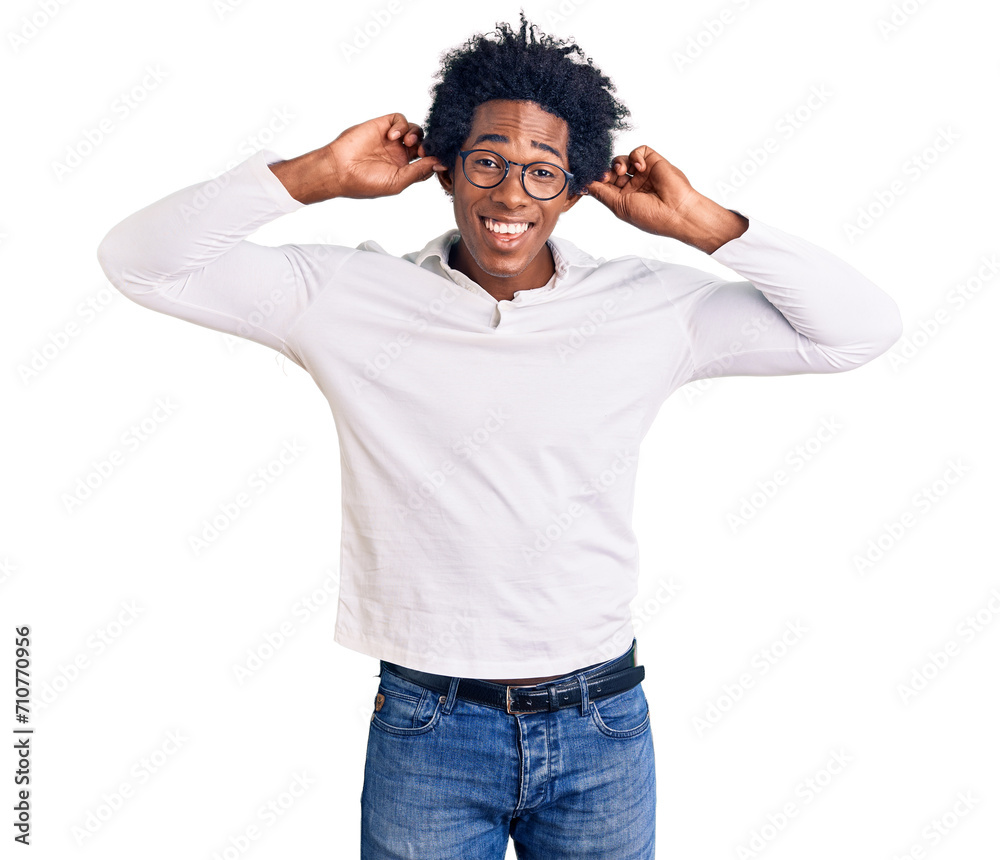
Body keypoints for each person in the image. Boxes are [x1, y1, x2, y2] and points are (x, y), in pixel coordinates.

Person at [96, 14, 902, 860]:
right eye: (488, 162)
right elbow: (140, 262)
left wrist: (704, 225)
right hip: (429, 726)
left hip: (603, 723)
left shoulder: (651, 308)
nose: (512, 197)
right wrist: (316, 175)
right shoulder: (343, 297)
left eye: (543, 173)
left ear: (577, 185)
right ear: (444, 169)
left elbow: (859, 329)